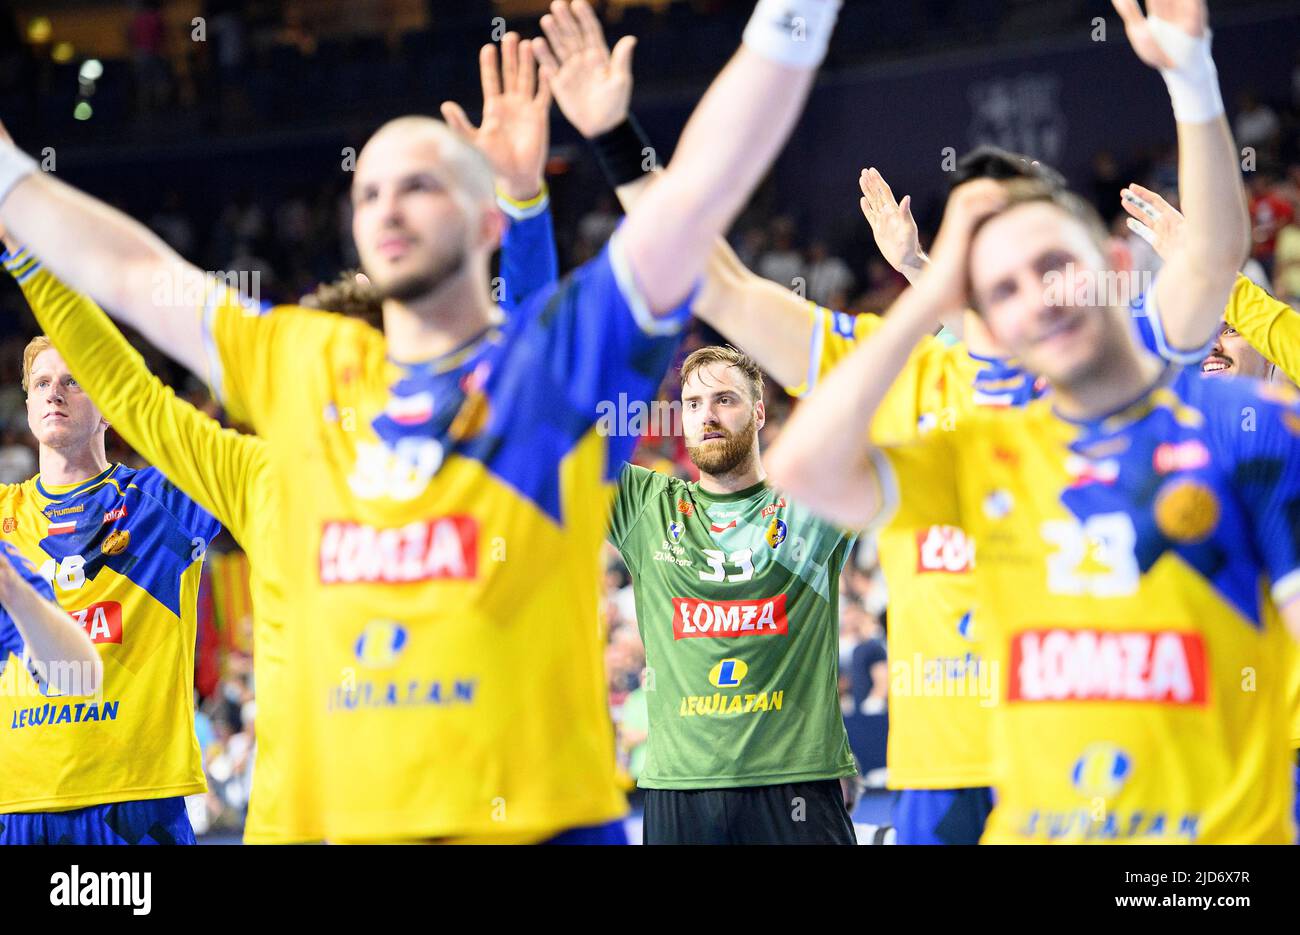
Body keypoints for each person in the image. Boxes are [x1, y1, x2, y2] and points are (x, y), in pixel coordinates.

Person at [0, 0, 846, 842]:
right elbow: (136, 274)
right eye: (368, 191)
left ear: (482, 218)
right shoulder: (306, 370)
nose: (389, 205)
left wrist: (795, 13)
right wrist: (9, 179)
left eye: (418, 184)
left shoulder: (545, 373)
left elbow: (701, 192)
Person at [0, 33, 561, 844]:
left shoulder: (480, 447)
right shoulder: (263, 472)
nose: (318, 378)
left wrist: (522, 206)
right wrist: (22, 224)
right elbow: (129, 375)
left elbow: (540, 366)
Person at [768, 0, 1296, 843]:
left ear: (1113, 267)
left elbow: (1212, 260)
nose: (1039, 302)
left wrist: (1192, 80)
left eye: (1054, 267)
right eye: (1001, 291)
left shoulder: (1235, 418)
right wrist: (924, 288)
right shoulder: (990, 446)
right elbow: (802, 467)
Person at [0, 260, 222, 844]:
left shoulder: (162, 500)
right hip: (17, 803)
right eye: (43, 383)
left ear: (108, 401)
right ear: (26, 403)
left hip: (135, 805)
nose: (55, 393)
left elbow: (249, 445)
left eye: (74, 380)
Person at [608, 346, 858, 844]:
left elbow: (893, 398)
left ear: (759, 412)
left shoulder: (808, 499)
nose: (708, 416)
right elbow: (551, 425)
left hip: (795, 785)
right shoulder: (646, 506)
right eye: (694, 403)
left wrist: (921, 271)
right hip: (680, 792)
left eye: (725, 399)